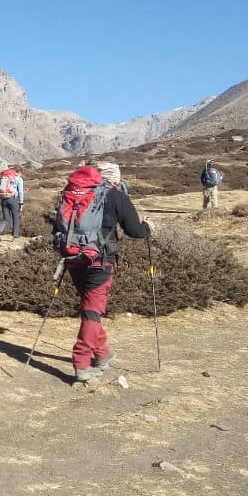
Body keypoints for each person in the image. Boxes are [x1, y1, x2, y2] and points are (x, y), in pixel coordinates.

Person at [54, 164, 153, 382]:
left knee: (90, 308)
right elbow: (134, 231)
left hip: (73, 257)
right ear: (115, 180)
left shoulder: (71, 192)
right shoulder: (115, 196)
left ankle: (102, 353)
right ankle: (81, 363)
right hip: (100, 259)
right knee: (92, 311)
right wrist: (147, 228)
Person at [0, 165, 24, 240]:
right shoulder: (19, 179)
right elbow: (20, 192)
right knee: (16, 217)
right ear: (19, 172)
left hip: (4, 199)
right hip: (13, 199)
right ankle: (15, 236)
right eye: (21, 173)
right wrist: (21, 203)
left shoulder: (5, 176)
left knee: (6, 218)